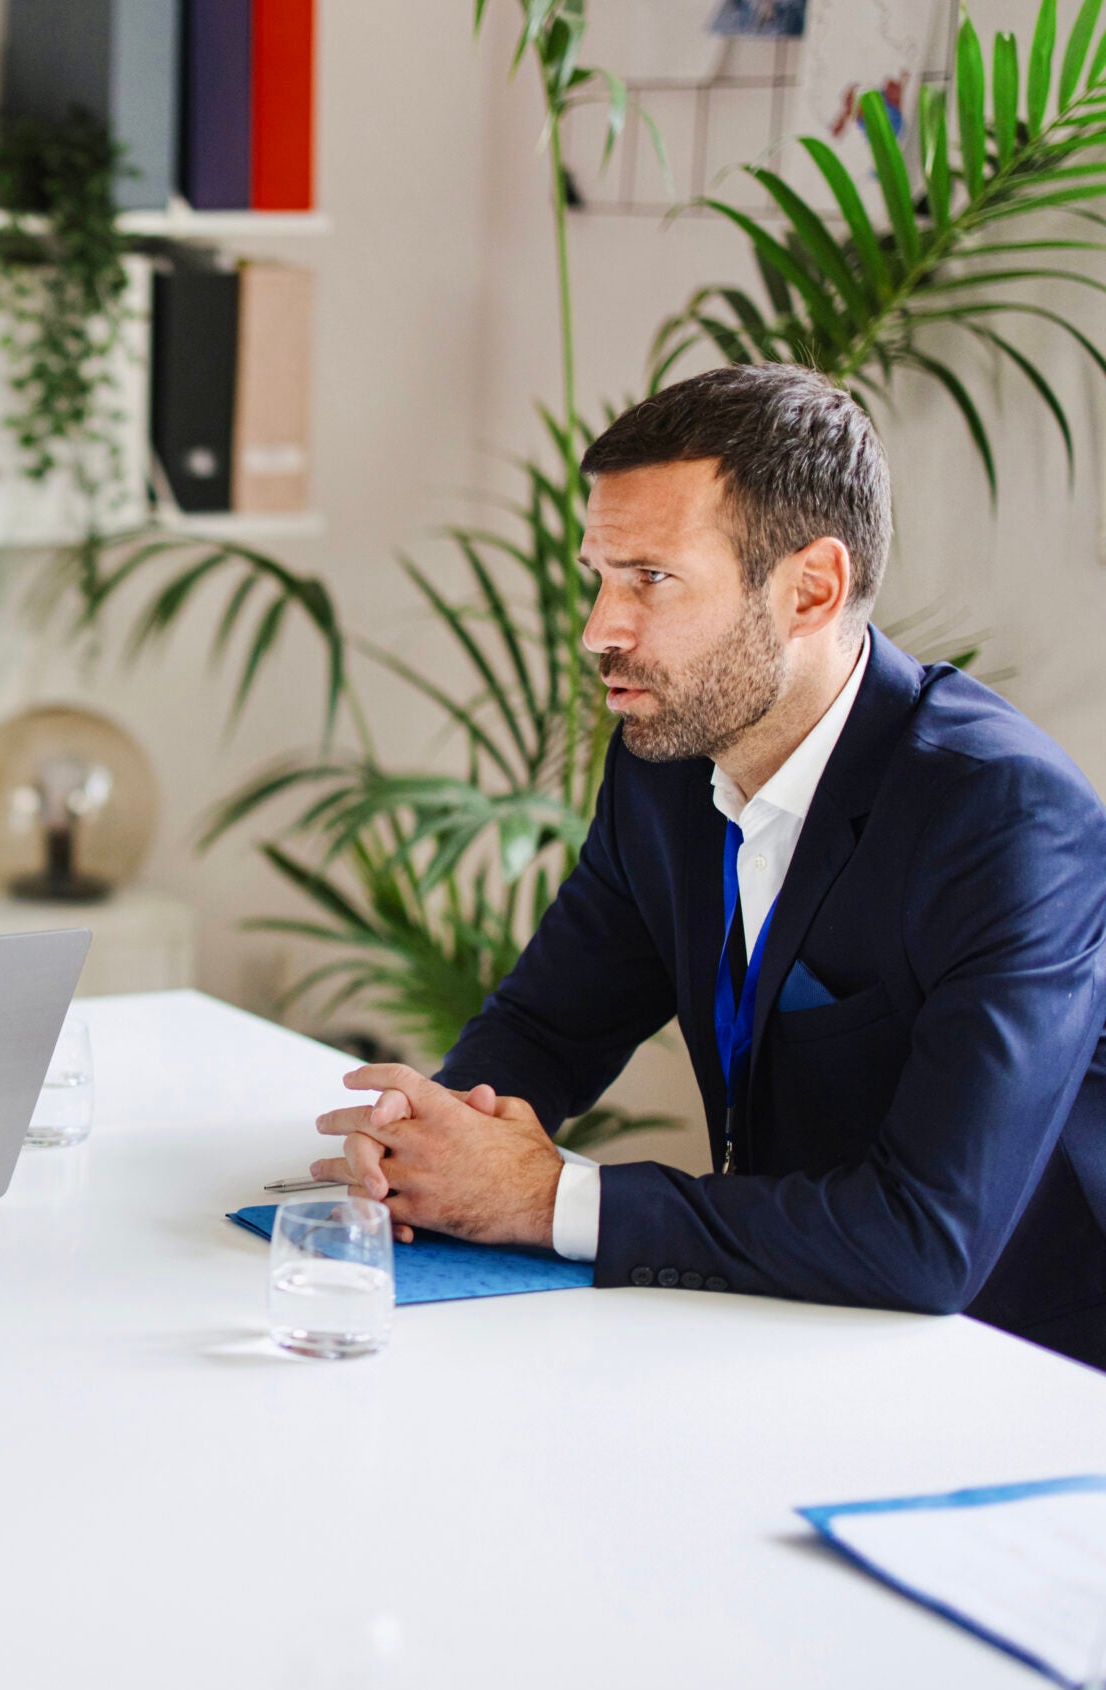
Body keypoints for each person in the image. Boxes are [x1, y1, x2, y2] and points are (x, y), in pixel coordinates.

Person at [308, 362, 1106, 1369]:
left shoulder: (1005, 817)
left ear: (810, 588)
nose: (602, 629)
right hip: (798, 1323)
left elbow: (928, 1235)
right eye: (599, 575)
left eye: (651, 578)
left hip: (1023, 1372)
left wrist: (550, 1199)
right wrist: (427, 1145)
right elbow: (549, 1024)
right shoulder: (666, 765)